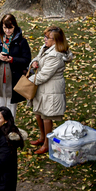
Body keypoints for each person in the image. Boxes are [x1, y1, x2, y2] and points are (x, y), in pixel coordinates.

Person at [28, 26, 73, 155]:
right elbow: (37, 58)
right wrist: (34, 63)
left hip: (51, 88)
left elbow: (44, 75)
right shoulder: (46, 47)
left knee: (47, 116)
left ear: (56, 41)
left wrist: (27, 82)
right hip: (42, 86)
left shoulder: (56, 55)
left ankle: (47, 144)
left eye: (48, 38)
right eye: (45, 36)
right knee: (38, 112)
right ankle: (42, 138)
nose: (45, 39)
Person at [0, 13, 32, 118]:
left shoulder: (21, 41)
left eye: (10, 28)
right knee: (0, 104)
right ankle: (0, 127)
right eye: (5, 28)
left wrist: (12, 59)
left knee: (11, 105)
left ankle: (10, 128)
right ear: (2, 27)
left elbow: (26, 60)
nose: (8, 31)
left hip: (14, 78)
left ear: (15, 27)